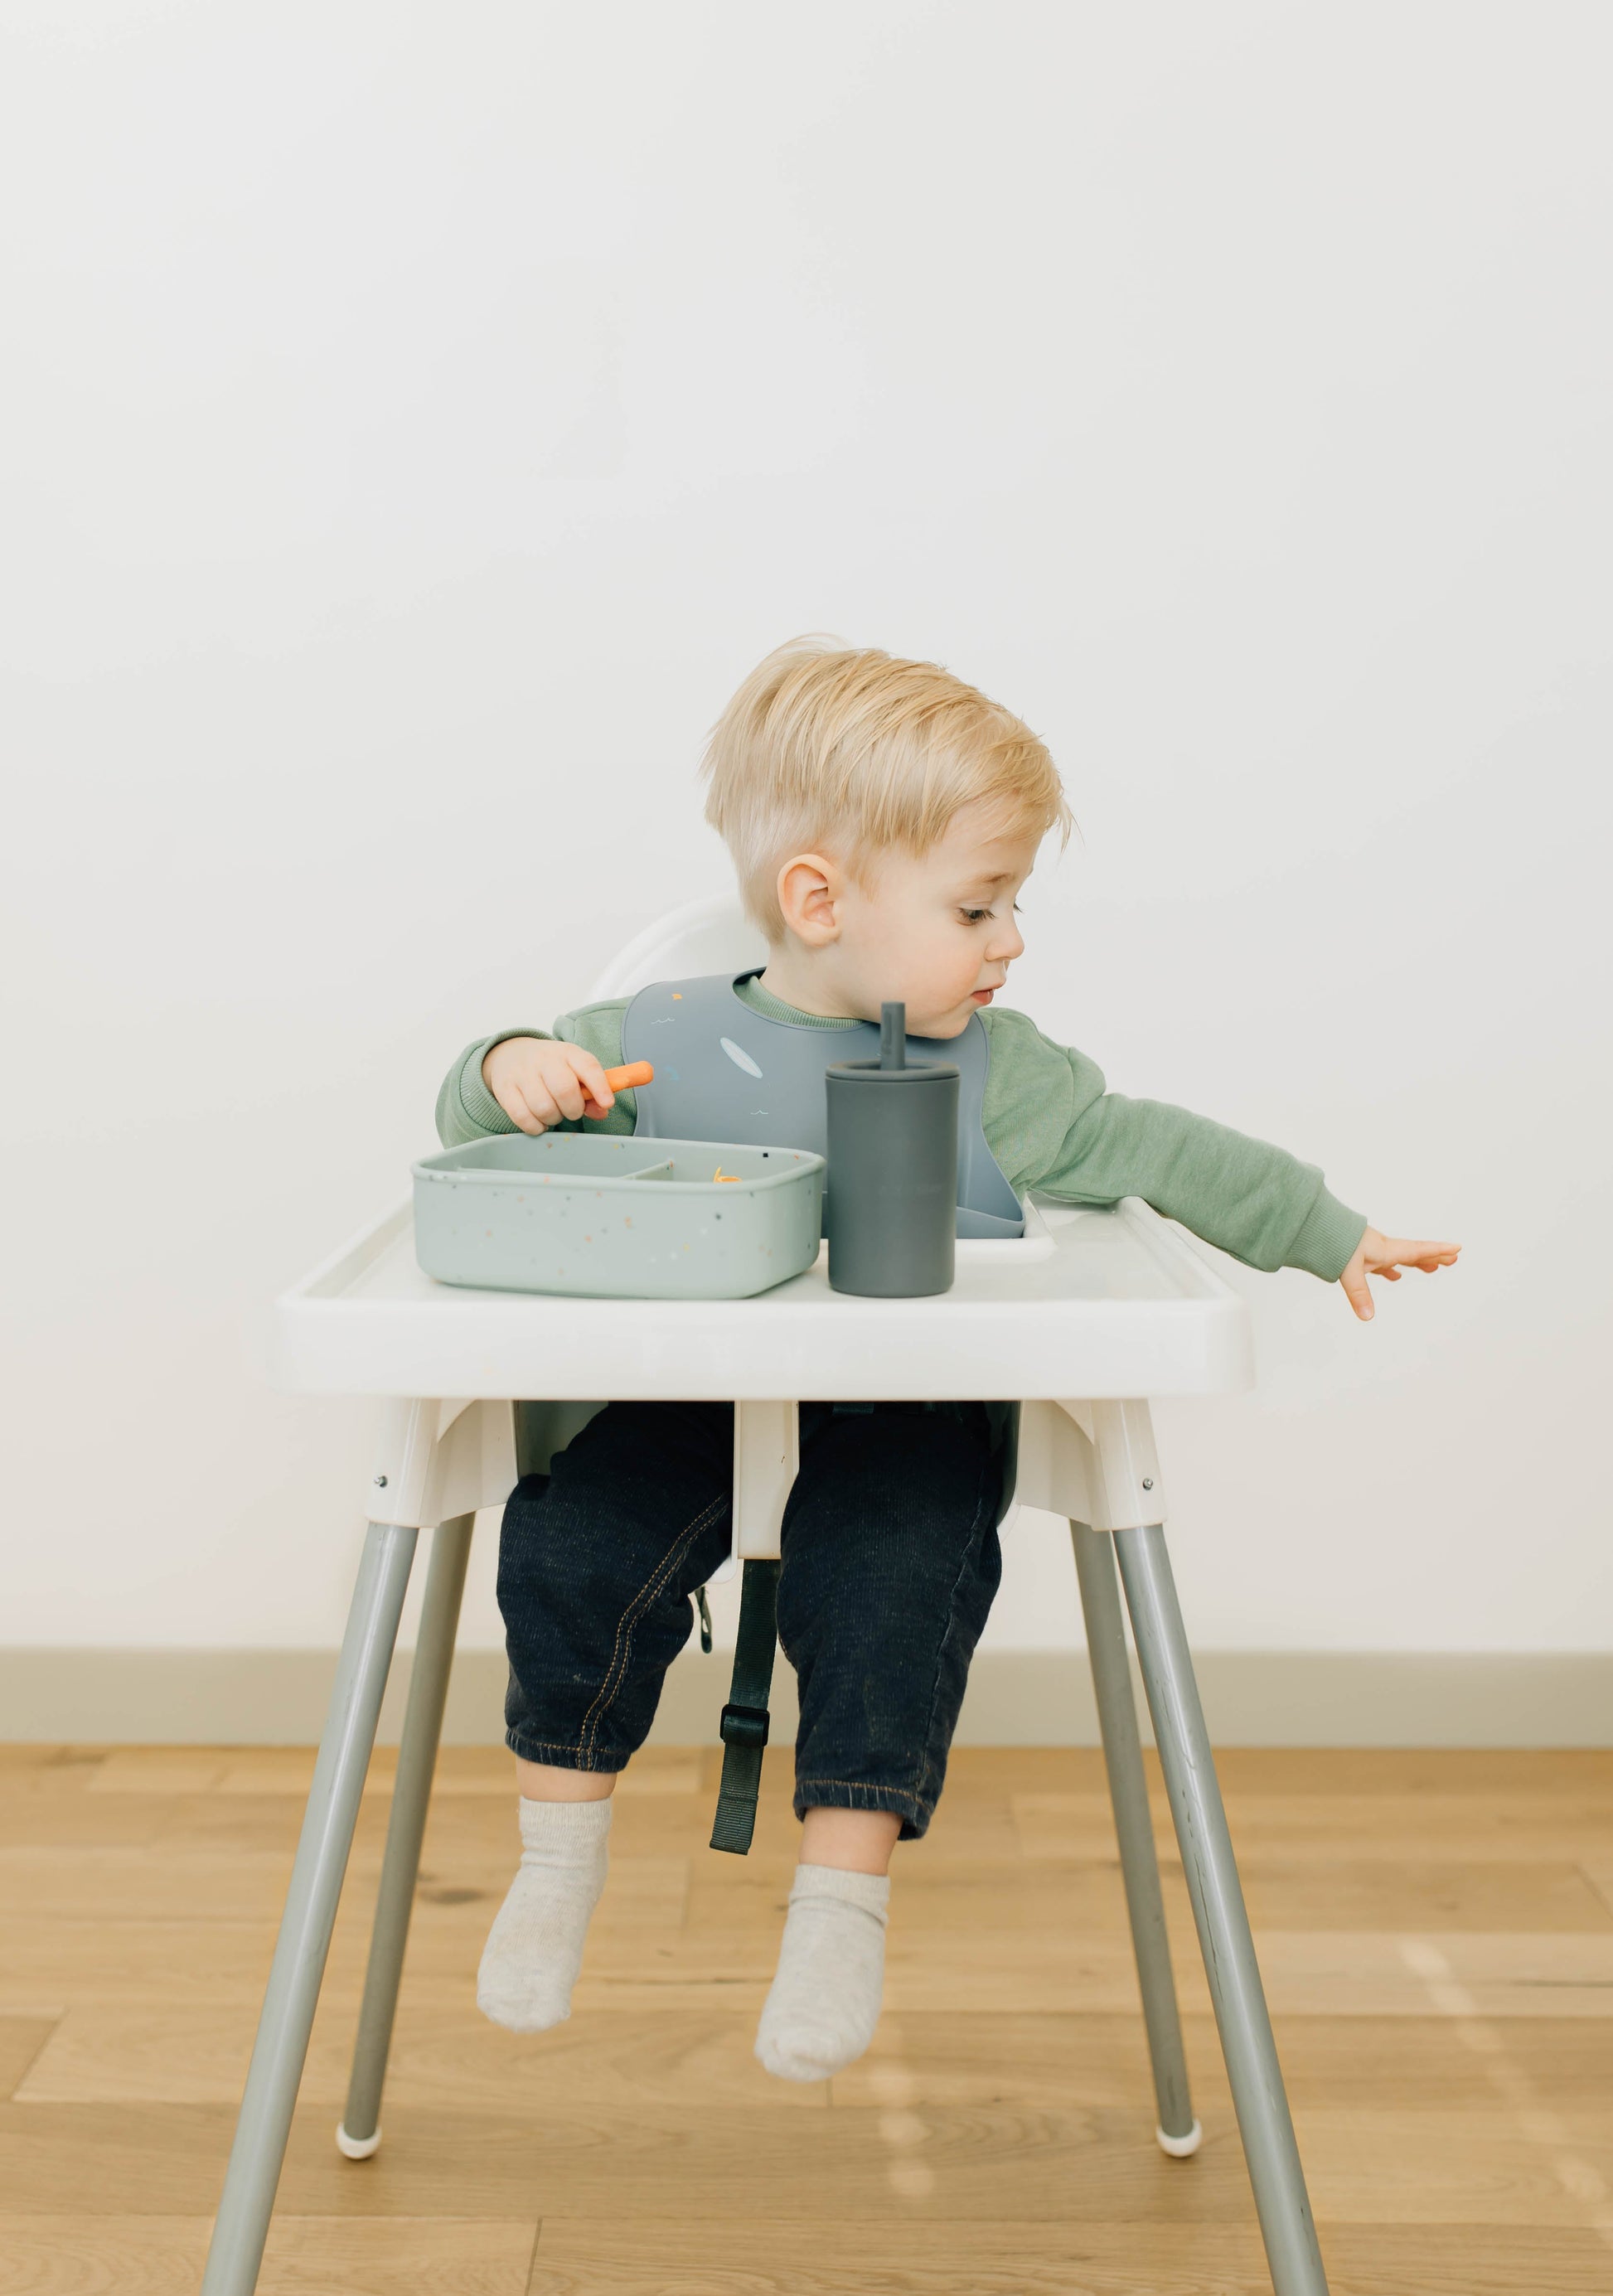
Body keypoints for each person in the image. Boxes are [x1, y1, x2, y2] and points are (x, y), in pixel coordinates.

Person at [434, 638, 1460, 2082]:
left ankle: (838, 1905)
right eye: (977, 906)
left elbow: (1157, 1150)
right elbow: (478, 1121)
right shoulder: (640, 1050)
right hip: (685, 1398)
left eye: (1012, 903)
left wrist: (1321, 1227)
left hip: (905, 1412)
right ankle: (556, 1859)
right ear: (818, 900)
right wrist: (511, 1071)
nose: (1010, 940)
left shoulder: (1003, 1074)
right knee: (569, 1544)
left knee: (896, 1576)